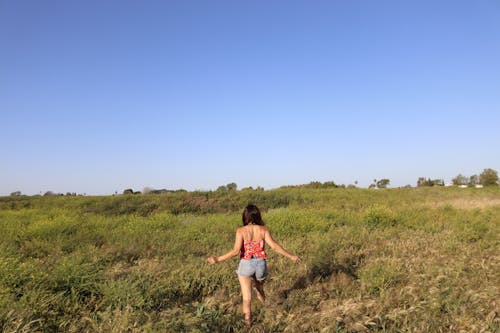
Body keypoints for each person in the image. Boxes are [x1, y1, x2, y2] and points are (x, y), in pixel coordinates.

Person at [207, 204, 300, 327]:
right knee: (260, 289)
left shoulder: (240, 231)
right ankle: (266, 314)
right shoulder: (263, 229)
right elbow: (274, 246)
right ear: (257, 215)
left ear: (245, 216)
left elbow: (235, 251)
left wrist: (217, 259)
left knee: (246, 299)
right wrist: (291, 256)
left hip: (246, 264)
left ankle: (248, 324)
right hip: (260, 263)